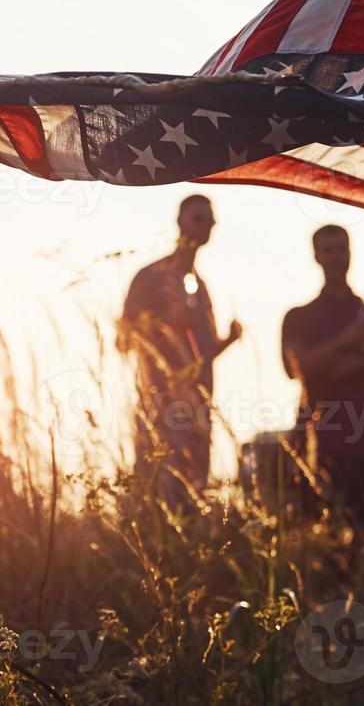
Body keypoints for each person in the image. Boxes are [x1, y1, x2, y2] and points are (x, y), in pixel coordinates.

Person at [281, 224, 364, 524]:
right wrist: (347, 340)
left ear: (351, 253)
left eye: (341, 249)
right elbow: (296, 367)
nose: (335, 257)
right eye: (328, 250)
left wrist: (360, 365)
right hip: (317, 444)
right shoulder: (299, 317)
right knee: (318, 538)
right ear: (316, 255)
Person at [117, 193, 243, 509]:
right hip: (161, 406)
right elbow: (123, 341)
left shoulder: (199, 286)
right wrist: (164, 328)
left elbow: (202, 356)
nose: (205, 226)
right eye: (198, 218)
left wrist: (229, 340)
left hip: (199, 406)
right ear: (180, 222)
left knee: (194, 491)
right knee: (160, 492)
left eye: (210, 220)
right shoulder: (151, 277)